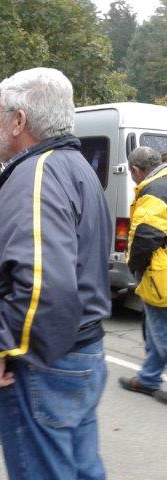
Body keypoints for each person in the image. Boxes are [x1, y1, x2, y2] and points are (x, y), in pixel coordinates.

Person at [0, 67, 111, 480]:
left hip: (42, 361)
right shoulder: (76, 167)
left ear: (19, 121)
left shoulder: (36, 175)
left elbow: (44, 285)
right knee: (82, 470)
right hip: (77, 352)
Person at [119, 146, 167, 404]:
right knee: (154, 326)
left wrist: (135, 266)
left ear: (136, 170)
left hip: (159, 273)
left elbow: (147, 235)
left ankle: (148, 379)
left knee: (161, 332)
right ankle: (148, 379)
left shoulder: (154, 191)